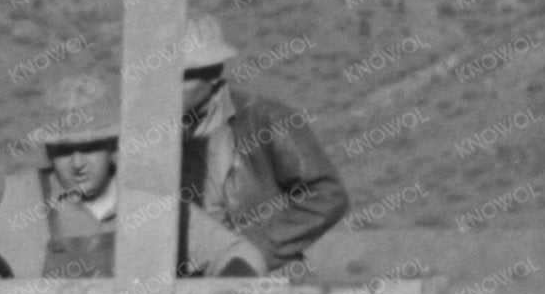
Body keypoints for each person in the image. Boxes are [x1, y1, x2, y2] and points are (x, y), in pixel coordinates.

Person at [35, 18, 350, 278]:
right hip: (190, 283)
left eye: (182, 76)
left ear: (213, 74)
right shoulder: (153, 134)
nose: (168, 86)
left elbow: (328, 195)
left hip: (268, 278)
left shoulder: (266, 119)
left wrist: (258, 248)